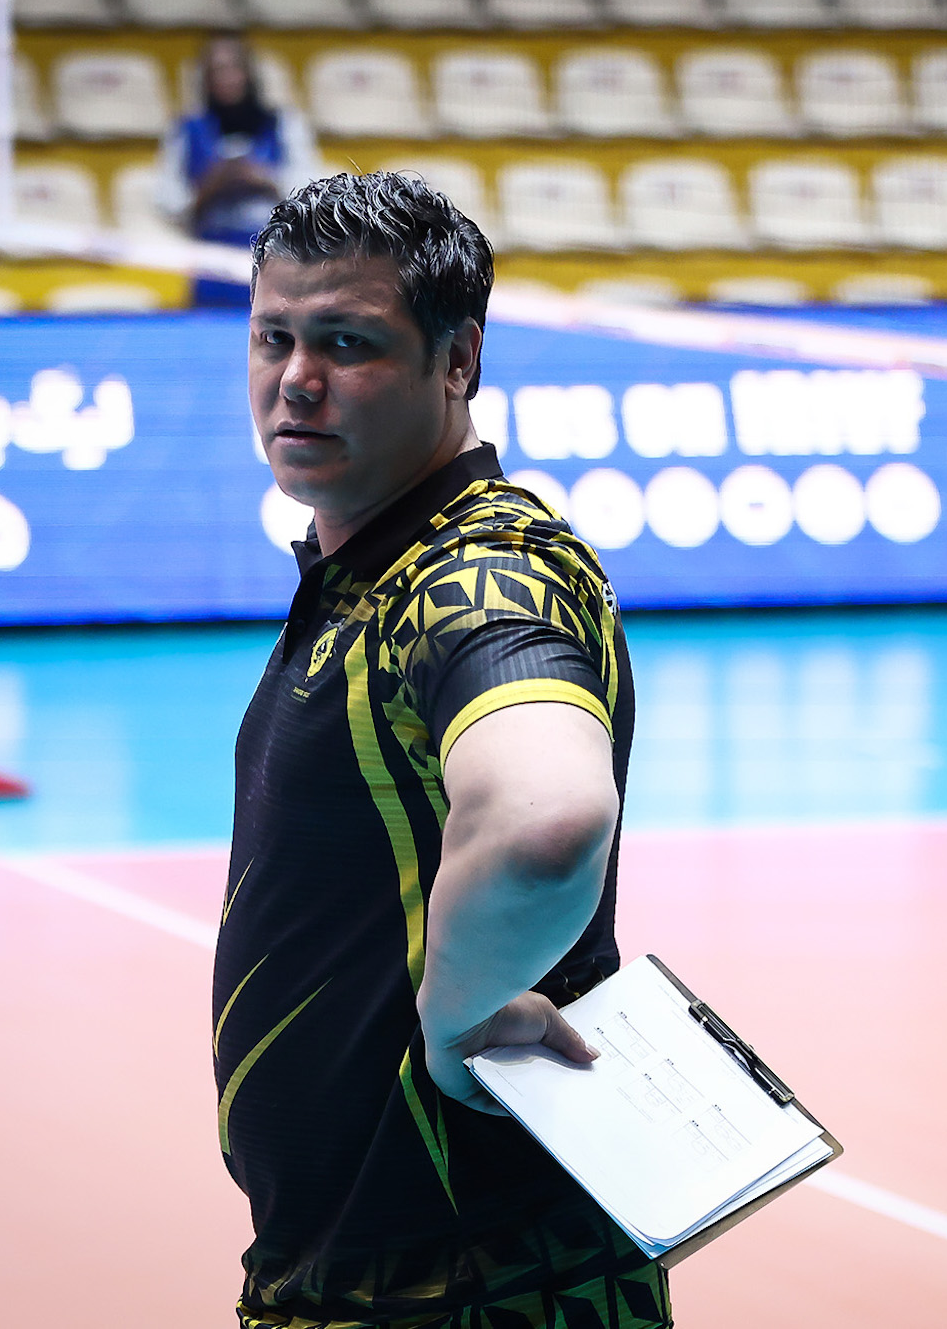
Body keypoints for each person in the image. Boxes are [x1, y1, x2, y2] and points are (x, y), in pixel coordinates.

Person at [214, 172, 670, 1328]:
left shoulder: (479, 576)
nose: (296, 379)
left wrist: (457, 1028)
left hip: (471, 1282)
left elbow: (545, 816)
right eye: (274, 337)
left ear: (457, 360)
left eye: (347, 343)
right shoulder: (370, 565)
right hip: (364, 1266)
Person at [159, 34, 319, 309]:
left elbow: (309, 191)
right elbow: (169, 201)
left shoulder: (283, 124)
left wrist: (263, 180)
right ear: (205, 79)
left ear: (249, 74)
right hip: (210, 256)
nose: (226, 78)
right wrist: (211, 186)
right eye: (216, 71)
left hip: (274, 251)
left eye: (233, 68)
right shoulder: (186, 130)